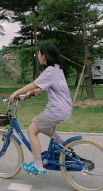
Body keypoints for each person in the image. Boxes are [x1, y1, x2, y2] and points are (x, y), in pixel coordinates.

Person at [9, 42, 72, 175]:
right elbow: (47, 86)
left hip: (56, 110)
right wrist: (35, 92)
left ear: (44, 56)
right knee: (34, 121)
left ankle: (38, 164)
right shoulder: (57, 69)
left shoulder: (50, 71)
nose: (37, 55)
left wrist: (15, 93)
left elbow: (33, 84)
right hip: (65, 107)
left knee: (31, 131)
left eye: (38, 53)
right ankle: (59, 141)